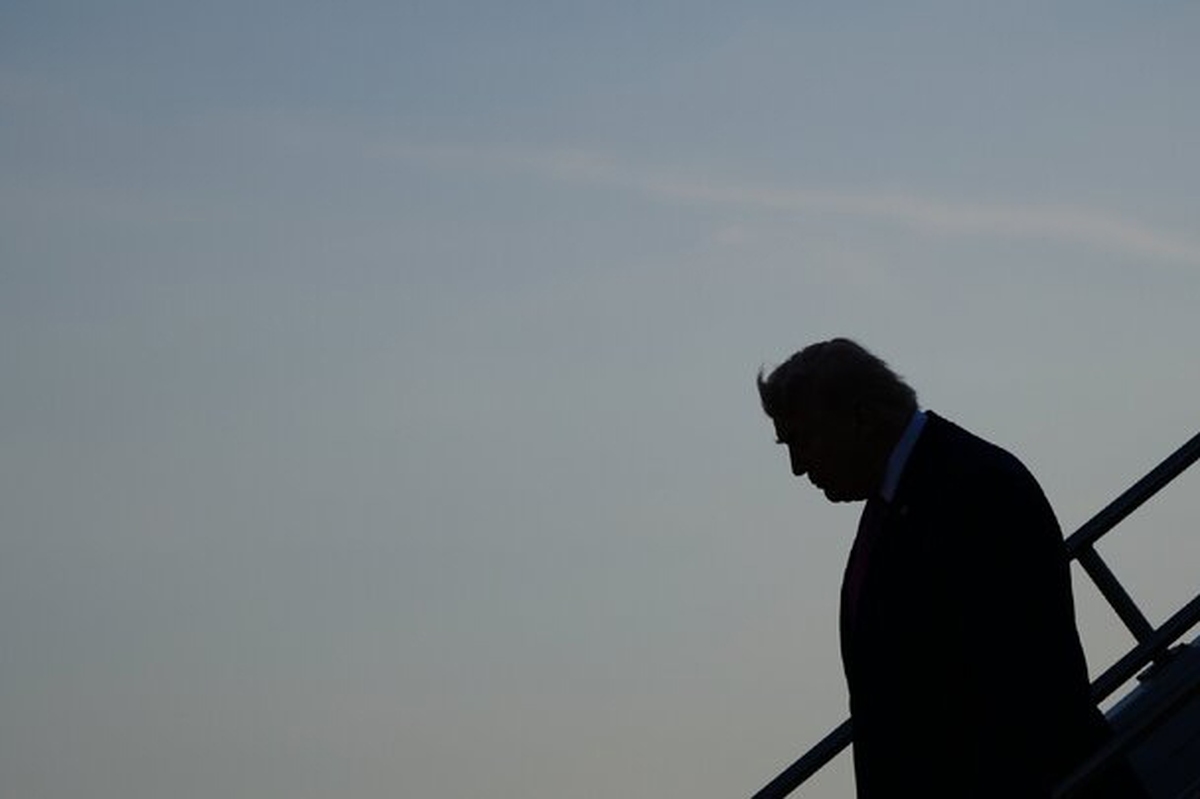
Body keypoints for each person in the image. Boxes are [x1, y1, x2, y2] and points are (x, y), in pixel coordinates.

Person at [757, 338, 1143, 798]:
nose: (798, 466)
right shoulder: (912, 496)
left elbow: (1012, 681)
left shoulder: (974, 489)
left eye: (802, 440)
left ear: (862, 418)